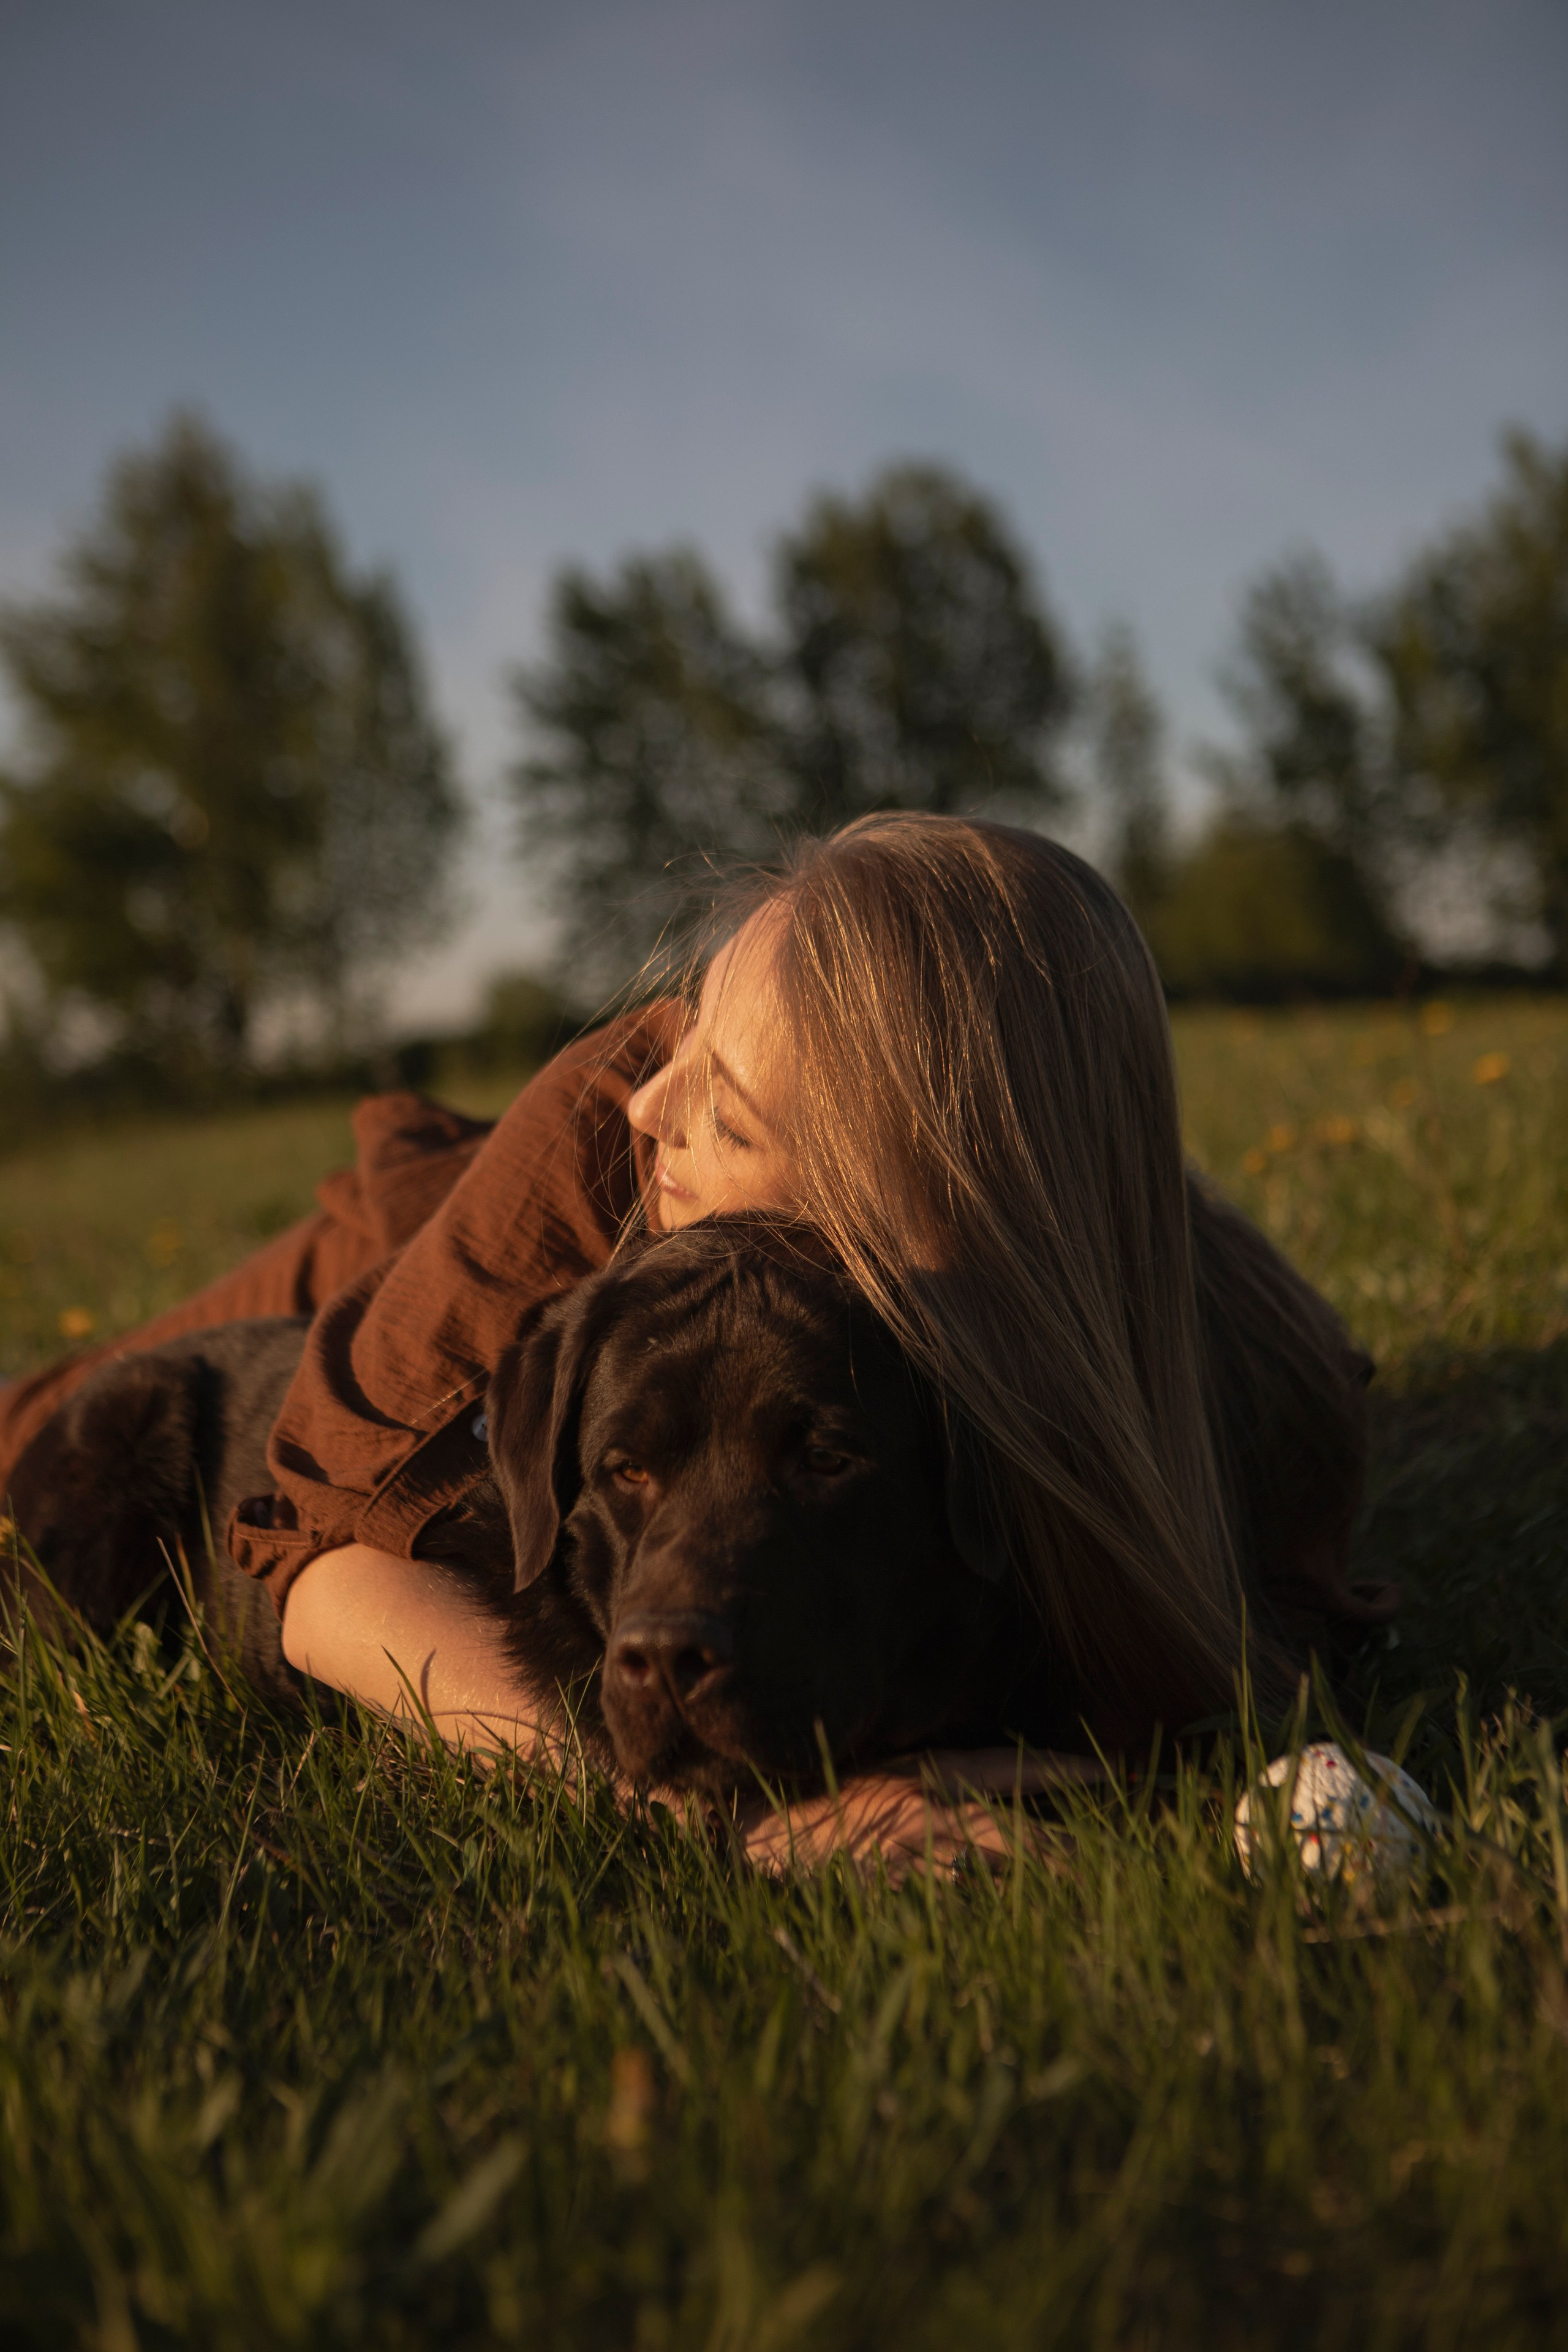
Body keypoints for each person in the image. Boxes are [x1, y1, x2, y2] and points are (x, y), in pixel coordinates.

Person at [1, 815, 1391, 1874]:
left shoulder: (1227, 1358)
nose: (649, 1104)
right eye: (683, 1045)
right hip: (375, 1301)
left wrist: (1056, 1757)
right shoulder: (600, 1142)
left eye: (725, 1112)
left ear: (884, 1208)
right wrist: (693, 1803)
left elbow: (1224, 1642)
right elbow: (310, 1554)